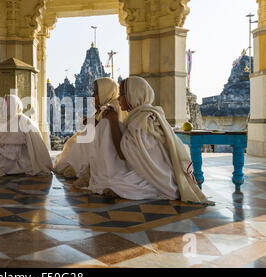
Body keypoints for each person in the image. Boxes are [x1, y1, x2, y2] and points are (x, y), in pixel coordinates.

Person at [99, 76, 212, 204]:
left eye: (122, 94)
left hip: (160, 177)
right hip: (152, 171)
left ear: (133, 95)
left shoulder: (142, 121)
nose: (118, 99)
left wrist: (114, 122)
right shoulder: (142, 115)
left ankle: (151, 189)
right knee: (109, 181)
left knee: (112, 184)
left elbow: (124, 154)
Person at [53, 77, 127, 181]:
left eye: (96, 93)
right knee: (75, 140)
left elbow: (107, 130)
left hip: (109, 146)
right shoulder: (105, 106)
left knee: (84, 136)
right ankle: (76, 165)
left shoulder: (114, 106)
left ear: (105, 92)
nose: (92, 96)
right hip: (100, 142)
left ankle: (78, 167)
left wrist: (92, 123)